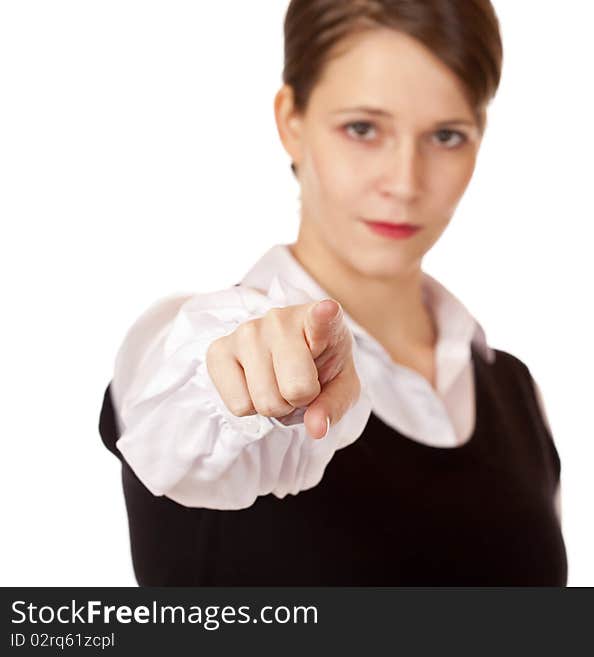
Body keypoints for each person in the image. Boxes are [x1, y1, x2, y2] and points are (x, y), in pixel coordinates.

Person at [99, 0, 567, 586]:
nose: (404, 182)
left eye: (446, 136)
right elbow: (178, 415)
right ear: (290, 121)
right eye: (363, 129)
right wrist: (245, 376)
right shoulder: (195, 348)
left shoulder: (511, 389)